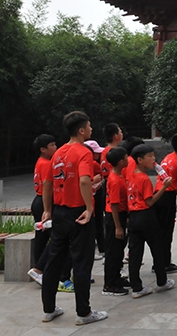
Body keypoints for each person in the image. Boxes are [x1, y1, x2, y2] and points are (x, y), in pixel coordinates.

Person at [40, 111, 107, 325]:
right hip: (78, 213)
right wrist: (89, 208)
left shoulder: (58, 152)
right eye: (89, 126)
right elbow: (85, 181)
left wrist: (48, 210)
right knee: (81, 262)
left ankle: (49, 309)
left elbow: (47, 183)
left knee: (54, 260)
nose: (91, 129)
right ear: (81, 130)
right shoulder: (83, 152)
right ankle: (84, 313)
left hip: (59, 213)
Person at [126, 144, 175, 298]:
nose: (153, 159)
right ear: (140, 159)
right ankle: (161, 282)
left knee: (135, 253)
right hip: (146, 216)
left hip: (133, 217)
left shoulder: (131, 176)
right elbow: (150, 202)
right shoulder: (144, 179)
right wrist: (164, 187)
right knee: (157, 248)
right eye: (150, 156)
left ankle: (136, 287)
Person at [152, 133, 177, 273]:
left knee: (160, 231)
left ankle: (159, 262)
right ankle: (164, 264)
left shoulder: (168, 158)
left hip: (159, 194)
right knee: (166, 231)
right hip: (167, 197)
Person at [28, 134, 57, 286]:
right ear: (43, 149)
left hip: (39, 201)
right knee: (58, 238)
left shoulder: (41, 161)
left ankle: (40, 269)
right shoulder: (46, 164)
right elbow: (47, 185)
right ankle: (39, 269)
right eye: (52, 145)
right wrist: (48, 210)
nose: (55, 147)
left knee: (42, 237)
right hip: (44, 202)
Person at [102, 147, 131, 296]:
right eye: (126, 157)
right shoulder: (114, 180)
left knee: (118, 250)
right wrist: (118, 226)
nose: (128, 159)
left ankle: (116, 278)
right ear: (121, 162)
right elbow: (113, 204)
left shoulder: (118, 176)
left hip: (120, 215)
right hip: (114, 217)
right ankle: (110, 284)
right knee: (113, 251)